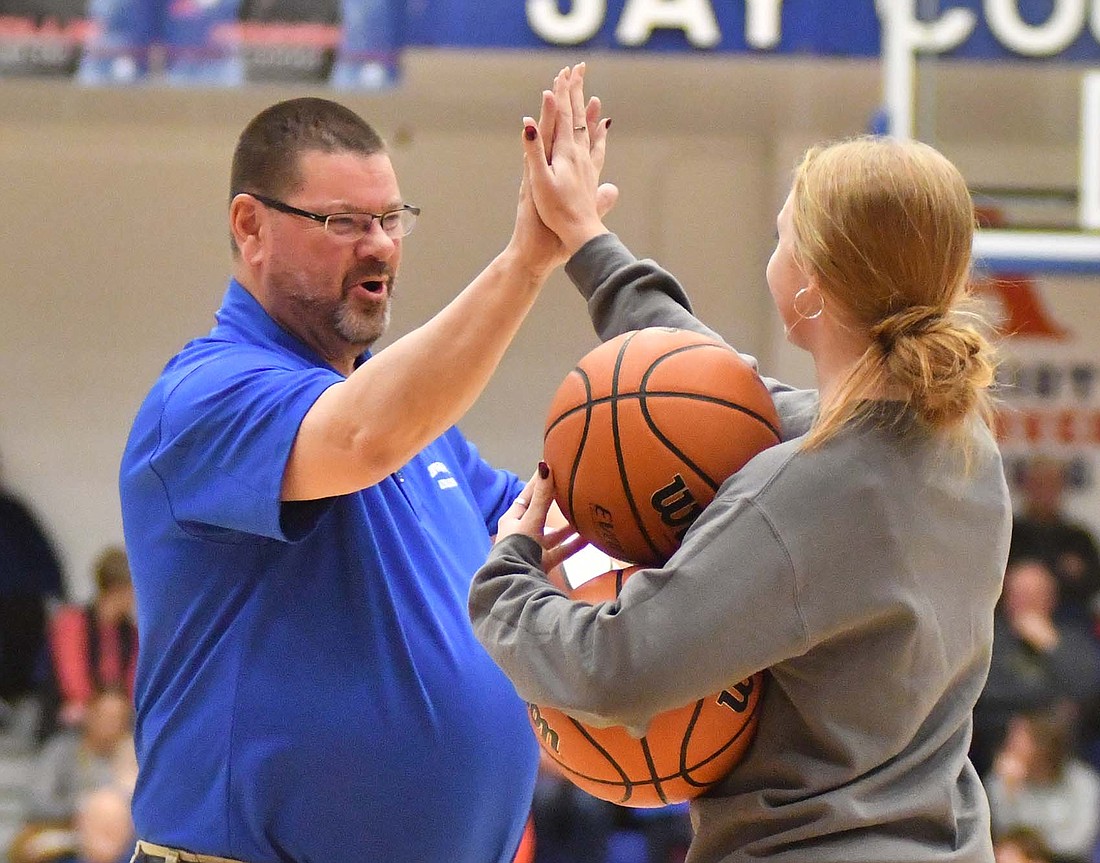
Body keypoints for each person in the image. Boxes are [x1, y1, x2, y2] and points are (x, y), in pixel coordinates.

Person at [469, 66, 1011, 863]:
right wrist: (587, 240)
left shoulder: (798, 495)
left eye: (783, 233)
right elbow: (711, 386)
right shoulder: (961, 444)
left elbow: (614, 667)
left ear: (813, 286)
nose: (776, 245)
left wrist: (507, 578)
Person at [118, 93, 615, 863]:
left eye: (391, 219)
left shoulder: (425, 433)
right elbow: (364, 433)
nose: (379, 245)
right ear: (250, 226)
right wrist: (527, 261)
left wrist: (696, 531)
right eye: (343, 222)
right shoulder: (205, 397)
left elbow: (549, 537)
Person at [972, 557, 1100, 777]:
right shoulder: (989, 640)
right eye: (1018, 594)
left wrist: (1051, 645)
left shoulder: (1072, 639)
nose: (1024, 602)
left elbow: (1089, 688)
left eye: (1033, 594)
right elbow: (985, 693)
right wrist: (1052, 703)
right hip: (998, 749)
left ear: (1051, 598)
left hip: (1065, 754)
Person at [984, 709, 1100, 863]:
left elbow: (1077, 841)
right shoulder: (1001, 779)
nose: (1009, 745)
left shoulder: (1084, 782)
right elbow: (1003, 834)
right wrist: (1010, 791)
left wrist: (1035, 850)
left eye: (1018, 739)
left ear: (1042, 747)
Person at [0, 450, 66, 719]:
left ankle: (14, 700)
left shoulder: (13, 512)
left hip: (18, 601)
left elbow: (42, 555)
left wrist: (55, 591)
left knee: (24, 619)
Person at [44, 546, 137, 734]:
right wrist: (101, 706)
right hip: (77, 713)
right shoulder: (72, 622)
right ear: (118, 590)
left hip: (118, 713)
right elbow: (74, 679)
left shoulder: (132, 632)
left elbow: (133, 680)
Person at [1009, 456, 1100, 627]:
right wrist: (1061, 571)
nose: (1044, 491)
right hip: (1011, 625)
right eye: (1038, 484)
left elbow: (1092, 583)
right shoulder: (1009, 535)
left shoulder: (1078, 538)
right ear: (1026, 487)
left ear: (1062, 488)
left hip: (1069, 623)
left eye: (1051, 484)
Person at [25, 688, 137, 825]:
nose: (111, 724)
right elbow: (38, 802)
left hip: (120, 835)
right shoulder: (61, 750)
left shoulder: (136, 755)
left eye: (118, 718)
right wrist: (82, 807)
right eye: (104, 715)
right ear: (89, 714)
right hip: (65, 829)